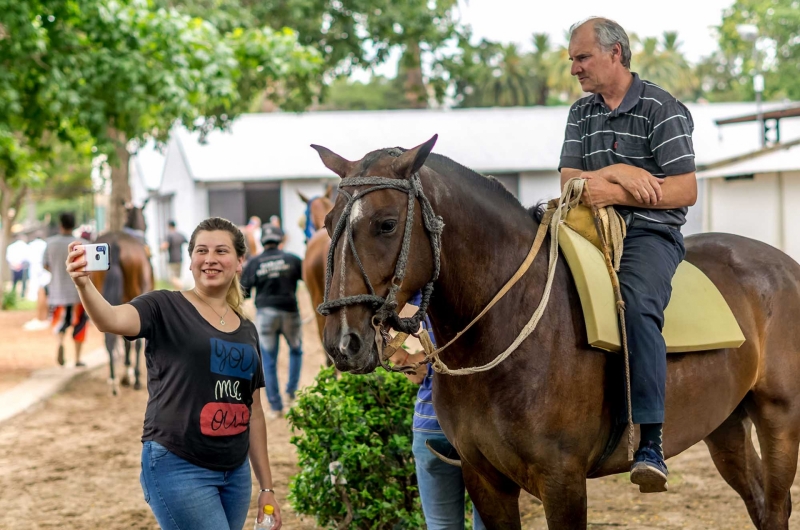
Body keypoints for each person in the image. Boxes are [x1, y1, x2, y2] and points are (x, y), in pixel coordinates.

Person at [65, 216, 282, 530]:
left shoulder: (247, 329)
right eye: (201, 251)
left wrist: (266, 487)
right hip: (178, 465)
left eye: (221, 251)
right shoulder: (163, 305)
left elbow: (254, 412)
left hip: (235, 475)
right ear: (191, 262)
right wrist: (83, 283)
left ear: (238, 262)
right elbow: (111, 319)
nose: (210, 259)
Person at [559, 17, 697, 492]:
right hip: (587, 228)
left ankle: (650, 442)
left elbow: (684, 189)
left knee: (636, 304)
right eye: (573, 59)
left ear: (615, 53)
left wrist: (611, 190)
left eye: (582, 57)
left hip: (651, 233)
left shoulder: (663, 108)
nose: (574, 68)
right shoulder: (581, 113)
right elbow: (569, 184)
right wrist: (619, 173)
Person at [388, 295, 486, 530]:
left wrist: (406, 357)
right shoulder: (485, 292)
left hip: (431, 424)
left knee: (442, 525)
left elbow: (415, 373)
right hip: (485, 430)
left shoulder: (420, 298)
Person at [241, 225, 303, 420]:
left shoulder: (254, 262)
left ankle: (276, 407)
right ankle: (291, 393)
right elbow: (306, 279)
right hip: (290, 312)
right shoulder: (293, 259)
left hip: (265, 314)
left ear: (262, 242)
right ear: (280, 240)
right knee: (296, 350)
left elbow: (245, 292)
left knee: (268, 361)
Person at [44, 213, 89, 367]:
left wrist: (56, 271)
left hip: (57, 292)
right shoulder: (82, 243)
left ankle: (60, 343)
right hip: (78, 294)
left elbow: (45, 264)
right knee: (80, 326)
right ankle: (77, 358)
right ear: (74, 225)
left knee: (59, 323)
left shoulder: (50, 243)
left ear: (60, 225)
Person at [160, 220, 187, 289]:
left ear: (169, 226)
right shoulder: (180, 235)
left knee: (172, 278)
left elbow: (164, 246)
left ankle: (183, 287)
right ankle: (178, 296)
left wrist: (160, 249)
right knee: (177, 278)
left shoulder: (169, 235)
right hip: (180, 259)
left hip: (172, 260)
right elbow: (188, 242)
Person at [6, 233, 30, 298]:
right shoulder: (25, 246)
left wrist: (15, 264)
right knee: (23, 283)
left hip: (14, 266)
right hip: (22, 266)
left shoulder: (11, 246)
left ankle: (13, 295)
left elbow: (8, 257)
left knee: (14, 282)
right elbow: (27, 257)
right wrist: (20, 264)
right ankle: (22, 296)